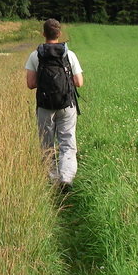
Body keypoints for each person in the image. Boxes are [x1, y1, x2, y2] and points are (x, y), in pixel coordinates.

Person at [25, 18, 84, 191]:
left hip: (44, 105)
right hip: (66, 104)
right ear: (59, 34)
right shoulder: (69, 54)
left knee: (46, 143)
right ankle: (65, 179)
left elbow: (30, 83)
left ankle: (51, 179)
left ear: (44, 34)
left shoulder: (35, 55)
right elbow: (79, 82)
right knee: (67, 141)